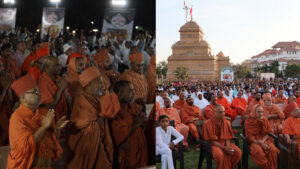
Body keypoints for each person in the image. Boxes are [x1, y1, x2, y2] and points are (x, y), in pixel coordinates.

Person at [7, 74, 68, 169]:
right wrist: (43, 127)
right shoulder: (17, 118)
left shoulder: (43, 112)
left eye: (39, 90)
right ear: (23, 97)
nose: (39, 93)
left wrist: (56, 129)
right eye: (34, 91)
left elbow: (49, 140)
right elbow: (24, 147)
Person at [66, 67, 116, 169]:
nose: (102, 86)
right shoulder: (81, 100)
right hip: (86, 144)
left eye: (102, 83)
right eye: (99, 83)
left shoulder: (96, 98)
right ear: (88, 85)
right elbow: (86, 126)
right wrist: (104, 115)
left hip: (98, 141)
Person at [111, 80, 148, 169]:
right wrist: (136, 124)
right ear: (119, 94)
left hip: (139, 146)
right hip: (129, 151)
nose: (133, 93)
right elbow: (119, 133)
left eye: (133, 91)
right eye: (130, 91)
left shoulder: (131, 106)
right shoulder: (115, 111)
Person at [201, 105, 242, 169]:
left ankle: (228, 167)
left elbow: (228, 137)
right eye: (220, 112)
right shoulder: (207, 123)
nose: (223, 114)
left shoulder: (227, 122)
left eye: (223, 112)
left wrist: (228, 147)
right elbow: (211, 140)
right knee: (219, 155)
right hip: (213, 145)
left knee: (238, 152)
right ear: (214, 112)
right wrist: (224, 148)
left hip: (225, 143)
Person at [245, 104, 280, 169]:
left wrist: (263, 141)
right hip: (254, 141)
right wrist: (260, 143)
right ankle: (267, 166)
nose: (261, 114)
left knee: (273, 150)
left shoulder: (264, 119)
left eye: (262, 112)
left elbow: (267, 132)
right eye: (258, 112)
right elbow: (249, 136)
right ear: (254, 112)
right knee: (259, 152)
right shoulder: (248, 121)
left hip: (264, 139)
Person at [37, 56, 69, 121]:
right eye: (56, 65)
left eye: (60, 65)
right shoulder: (43, 82)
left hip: (63, 116)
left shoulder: (58, 78)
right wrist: (59, 90)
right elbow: (48, 107)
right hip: (54, 120)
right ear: (46, 67)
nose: (60, 68)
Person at [0, 59, 15, 146]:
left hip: (6, 112)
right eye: (0, 66)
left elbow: (11, 100)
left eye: (2, 65)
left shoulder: (2, 79)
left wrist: (8, 87)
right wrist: (5, 88)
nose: (2, 68)